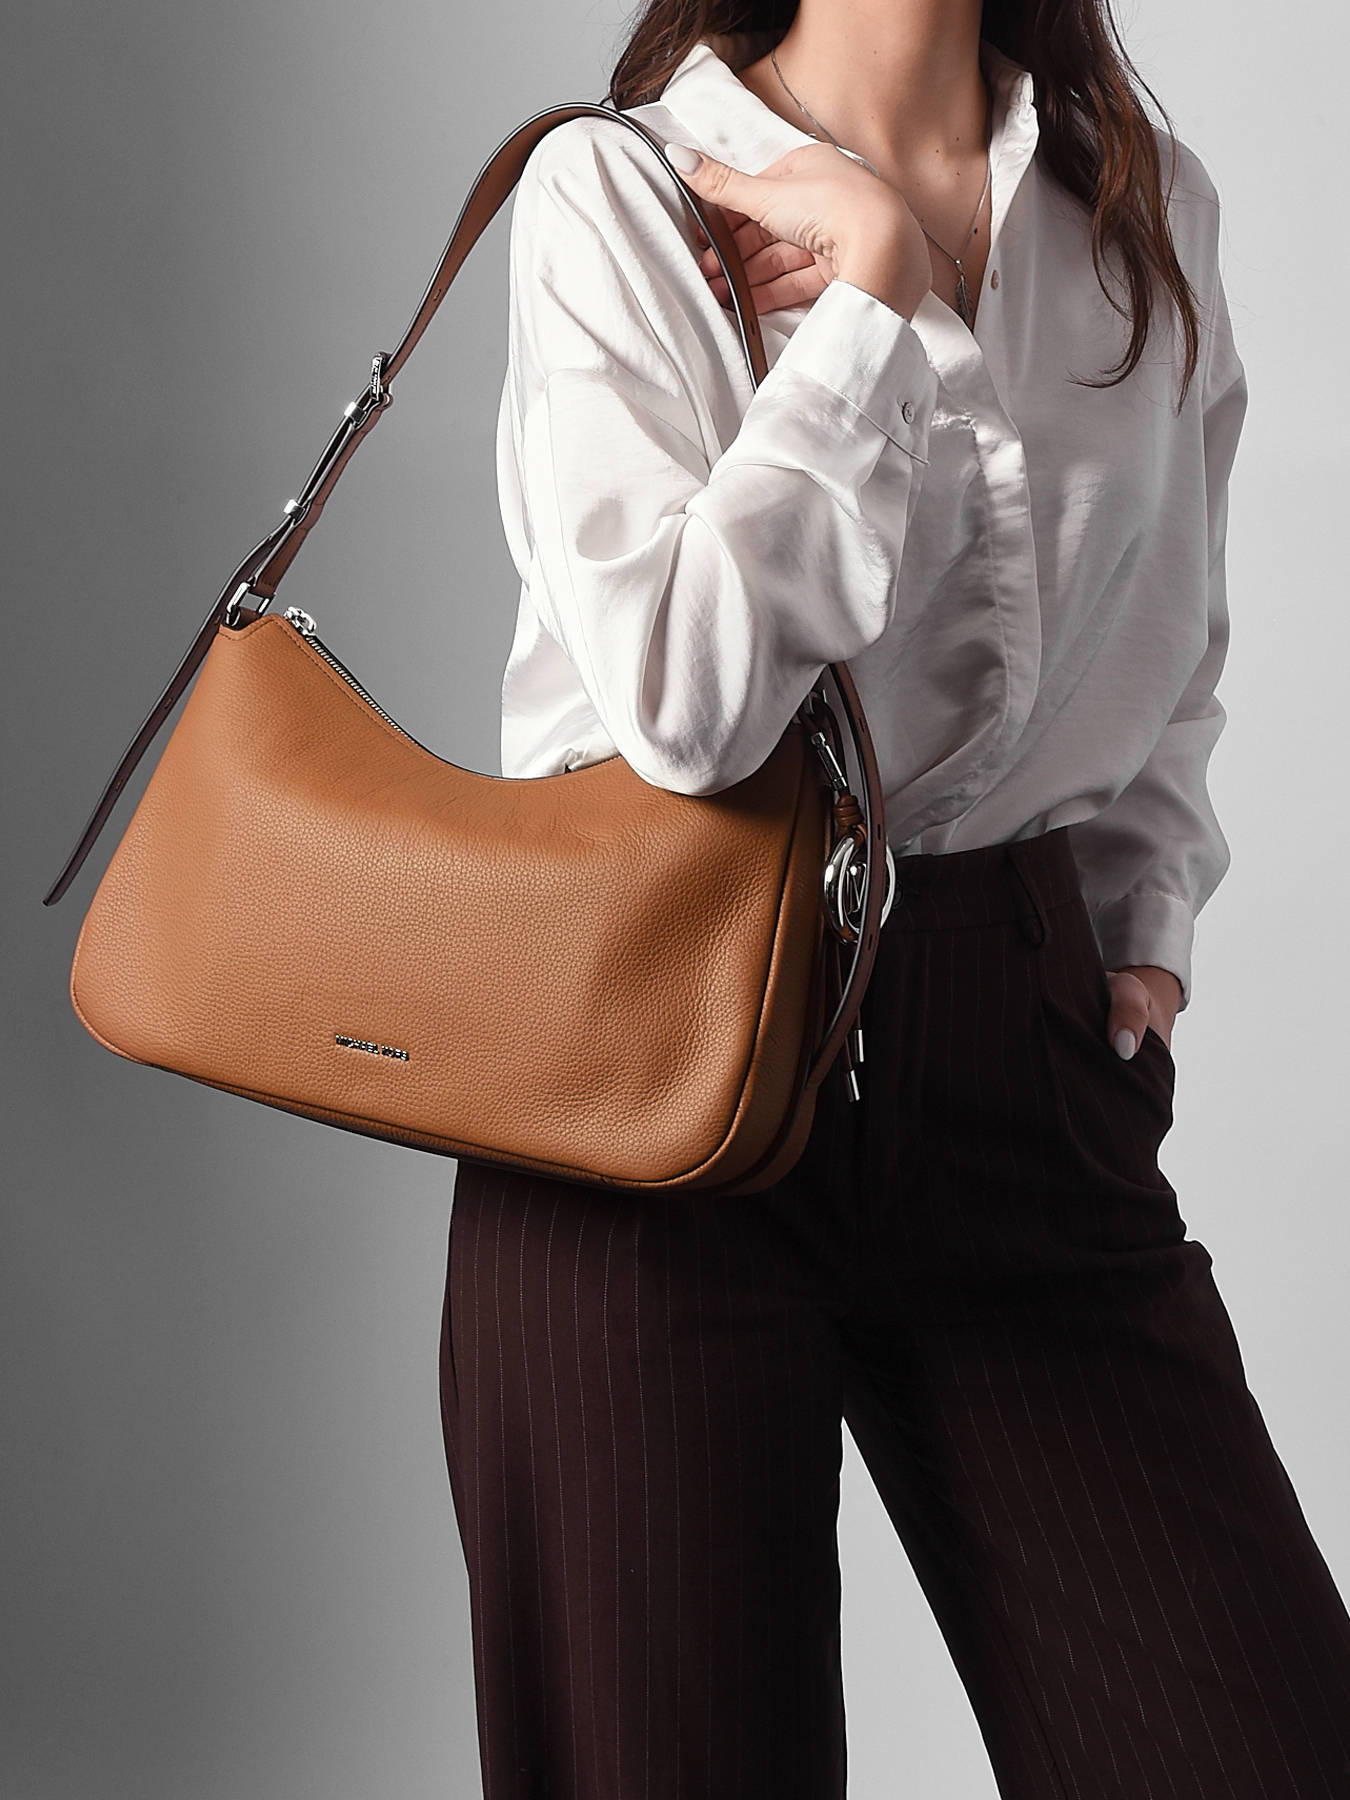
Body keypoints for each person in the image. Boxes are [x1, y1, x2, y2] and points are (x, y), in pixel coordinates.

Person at [438, 4, 1350, 1795]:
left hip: (1014, 1051)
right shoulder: (625, 191)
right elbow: (686, 704)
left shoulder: (1137, 201)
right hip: (650, 1067)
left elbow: (1174, 619)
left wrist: (1141, 921)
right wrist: (866, 294)